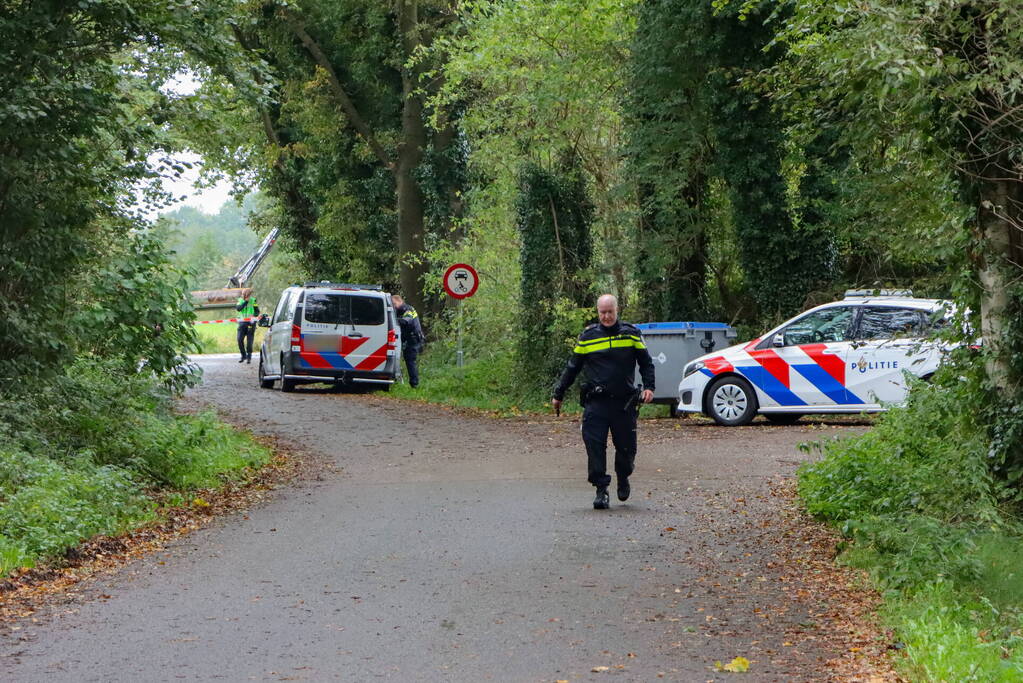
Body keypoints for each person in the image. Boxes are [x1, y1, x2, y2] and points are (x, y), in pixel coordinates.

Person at [552, 294, 655, 510]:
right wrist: (558, 393)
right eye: (603, 312)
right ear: (597, 312)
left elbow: (646, 363)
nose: (606, 316)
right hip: (596, 402)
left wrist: (648, 387)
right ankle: (601, 489)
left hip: (624, 403)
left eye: (610, 312)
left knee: (626, 450)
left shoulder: (631, 333)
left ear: (617, 310)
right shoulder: (588, 337)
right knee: (594, 446)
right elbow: (572, 367)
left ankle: (623, 476)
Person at [391, 293, 424, 388]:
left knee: (410, 361)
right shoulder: (399, 311)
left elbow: (406, 321)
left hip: (413, 340)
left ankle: (414, 384)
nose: (393, 306)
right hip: (407, 340)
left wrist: (392, 320)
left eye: (394, 303)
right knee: (407, 360)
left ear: (399, 301)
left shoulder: (409, 309)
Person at [236, 290, 259, 364]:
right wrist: (245, 302)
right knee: (239, 339)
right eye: (245, 296)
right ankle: (243, 355)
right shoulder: (240, 300)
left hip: (251, 323)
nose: (248, 297)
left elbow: (257, 311)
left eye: (248, 296)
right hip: (242, 323)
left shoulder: (253, 301)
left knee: (249, 342)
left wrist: (254, 315)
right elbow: (239, 308)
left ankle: (249, 357)